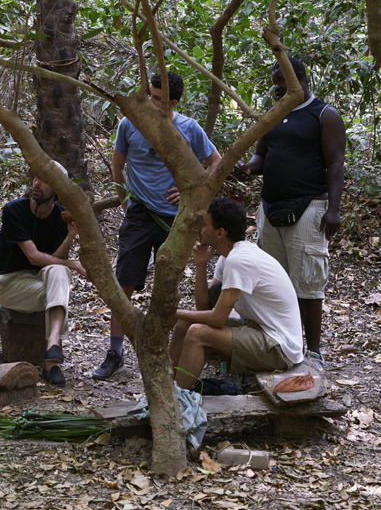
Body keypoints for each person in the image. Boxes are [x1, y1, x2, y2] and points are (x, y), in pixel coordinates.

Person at [95, 70, 221, 380]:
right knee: (123, 281)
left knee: (168, 288)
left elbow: (216, 164)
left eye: (159, 100)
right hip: (139, 214)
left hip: (174, 219)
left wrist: (192, 190)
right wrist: (125, 199)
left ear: (173, 102)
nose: (152, 103)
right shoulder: (130, 124)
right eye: (150, 96)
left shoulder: (189, 129)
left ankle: (164, 349)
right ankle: (115, 351)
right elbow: (117, 166)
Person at [238, 57, 345, 361]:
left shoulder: (323, 115)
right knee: (274, 282)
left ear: (298, 76)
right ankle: (281, 345)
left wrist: (334, 209)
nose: (276, 86)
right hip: (270, 207)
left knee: (307, 285)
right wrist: (245, 168)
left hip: (310, 205)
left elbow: (335, 164)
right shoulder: (272, 115)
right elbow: (261, 158)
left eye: (281, 79)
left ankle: (313, 352)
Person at [168, 198, 304, 389]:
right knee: (186, 322)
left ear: (220, 232)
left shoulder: (239, 260)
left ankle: (178, 402)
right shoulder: (229, 257)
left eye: (204, 224)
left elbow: (216, 319)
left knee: (197, 333)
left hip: (279, 348)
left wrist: (171, 312)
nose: (199, 228)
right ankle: (168, 387)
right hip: (260, 331)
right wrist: (201, 265)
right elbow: (203, 308)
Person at [0, 162, 87, 387]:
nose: (37, 183)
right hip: (10, 283)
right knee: (61, 278)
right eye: (36, 177)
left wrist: (70, 237)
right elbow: (34, 257)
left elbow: (53, 259)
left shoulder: (61, 216)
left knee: (58, 272)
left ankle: (52, 347)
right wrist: (73, 263)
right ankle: (53, 362)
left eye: (44, 180)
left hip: (42, 283)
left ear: (57, 188)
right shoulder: (14, 210)